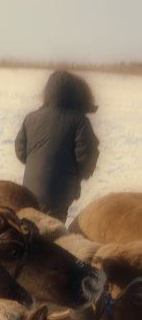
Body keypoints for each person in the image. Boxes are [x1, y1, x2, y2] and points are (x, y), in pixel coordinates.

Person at [15, 70, 99, 221]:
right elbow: (88, 155)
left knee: (29, 231)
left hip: (28, 192)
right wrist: (78, 176)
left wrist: (36, 163)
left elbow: (21, 152)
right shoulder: (79, 121)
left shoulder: (31, 118)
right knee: (51, 237)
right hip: (59, 194)